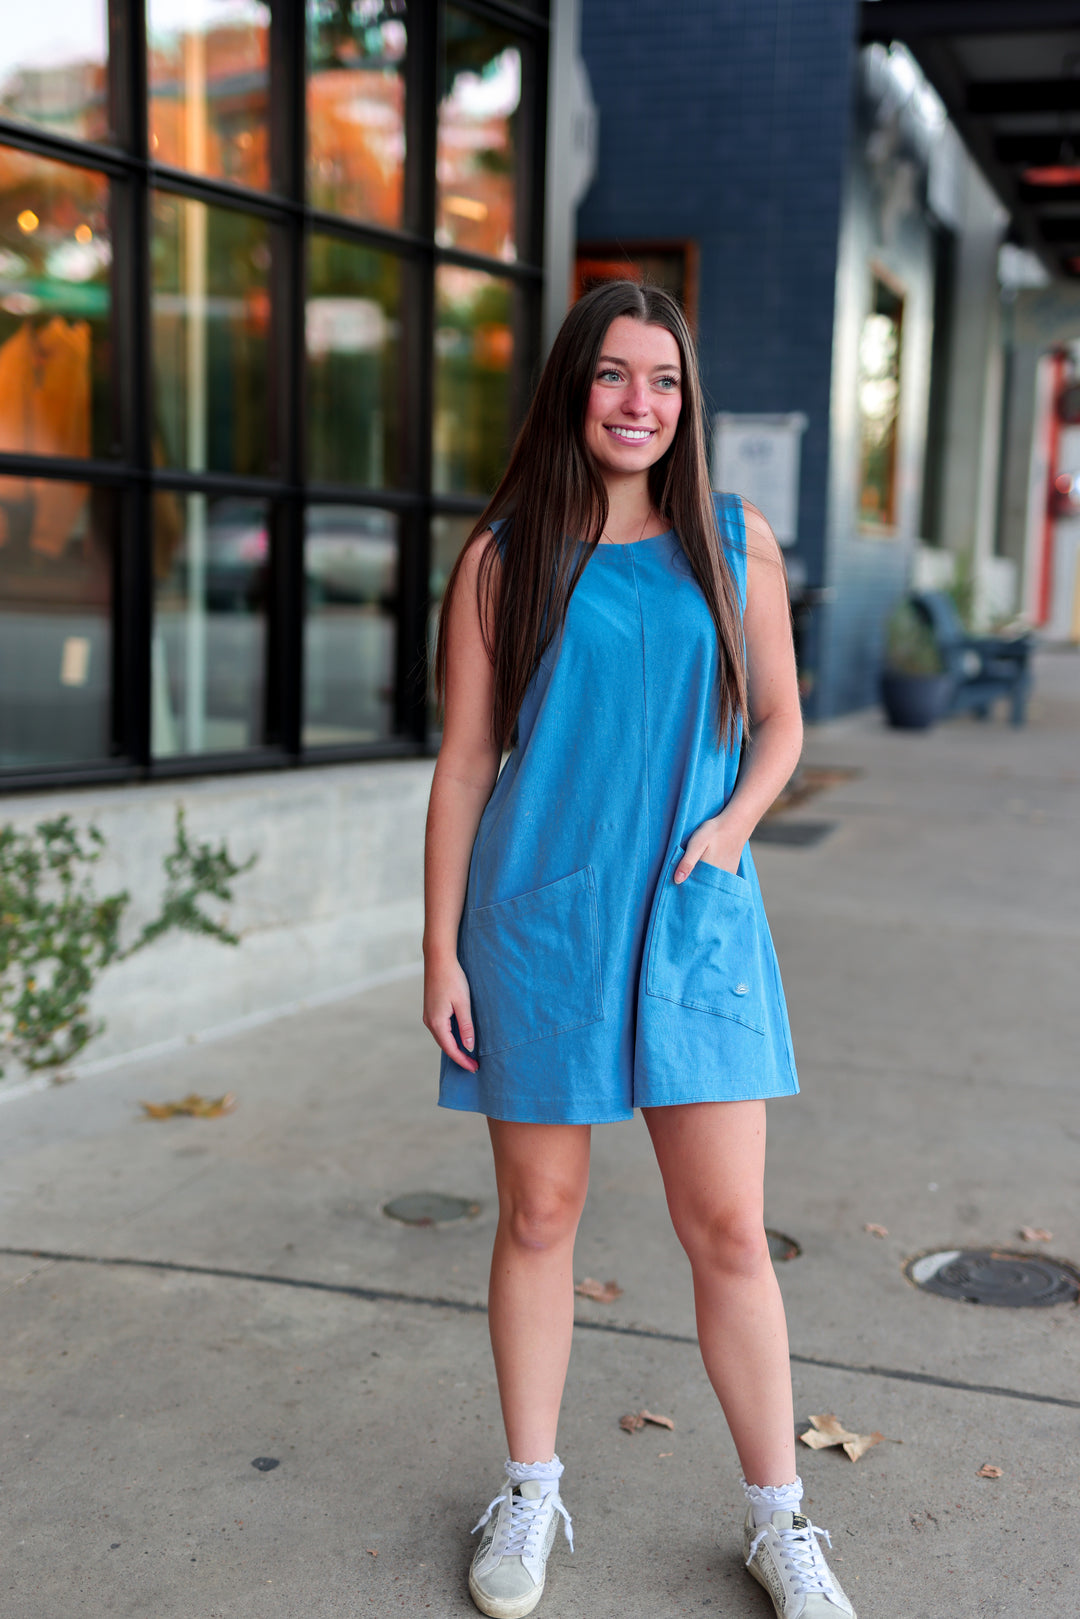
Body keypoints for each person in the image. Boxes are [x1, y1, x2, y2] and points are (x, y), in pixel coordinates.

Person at [422, 280, 855, 1619]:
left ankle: (780, 1523)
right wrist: (438, 951)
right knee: (541, 1217)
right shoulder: (505, 555)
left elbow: (780, 722)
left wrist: (731, 824)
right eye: (614, 376)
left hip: (692, 916)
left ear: (687, 403)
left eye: (663, 382)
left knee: (727, 1228)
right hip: (539, 921)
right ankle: (533, 1491)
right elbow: (463, 763)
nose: (638, 404)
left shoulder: (736, 541)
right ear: (573, 386)